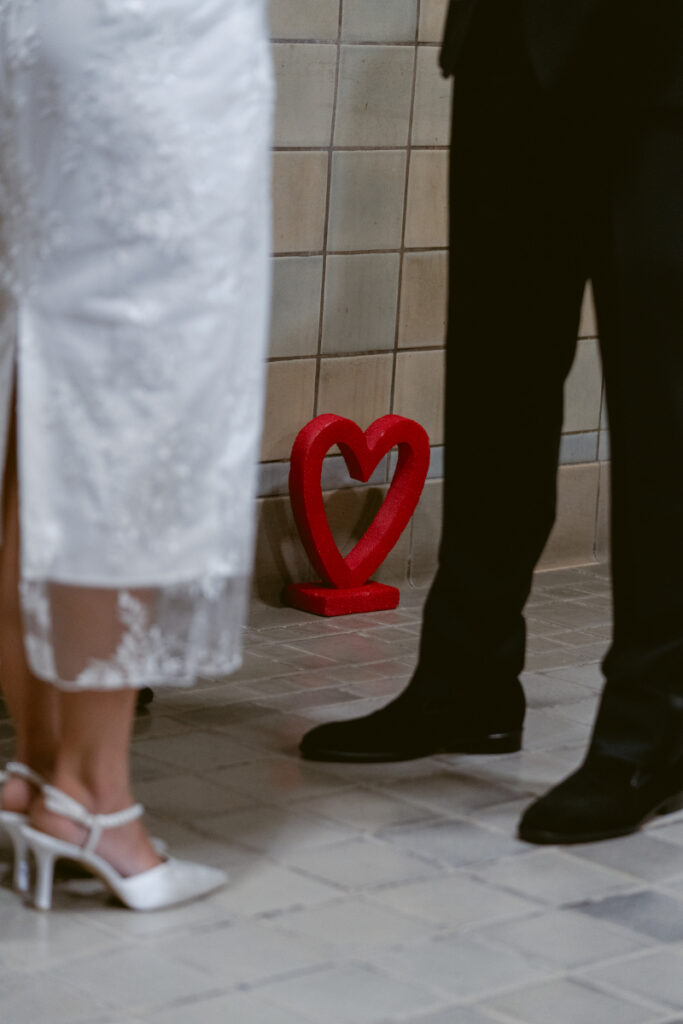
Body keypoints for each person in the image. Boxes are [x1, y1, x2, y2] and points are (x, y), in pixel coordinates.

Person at [300, 0, 683, 845]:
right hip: (511, 41)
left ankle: (653, 722)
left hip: (663, 59)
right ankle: (463, 679)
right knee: (494, 377)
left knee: (661, 401)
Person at [0, 0, 273, 909]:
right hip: (152, 31)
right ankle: (93, 798)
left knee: (39, 351)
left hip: (37, 31)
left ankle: (40, 770)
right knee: (138, 365)